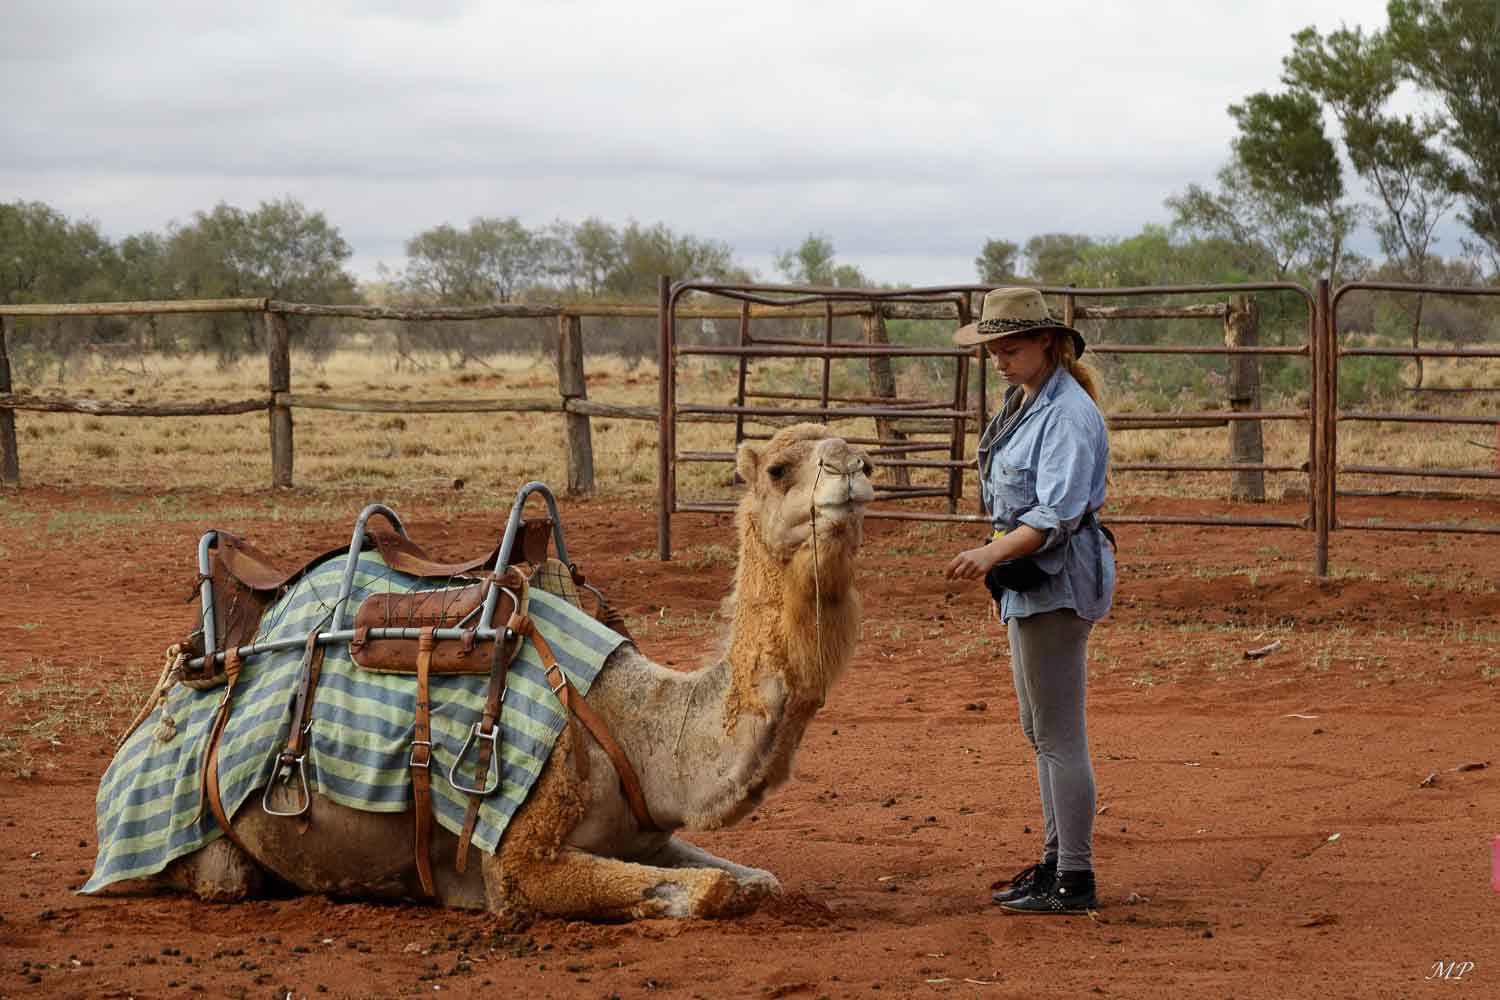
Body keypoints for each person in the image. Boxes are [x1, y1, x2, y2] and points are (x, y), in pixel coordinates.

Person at [944, 286, 1115, 915]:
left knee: (1058, 735)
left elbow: (1058, 514)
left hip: (1056, 581)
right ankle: (1055, 863)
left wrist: (992, 553)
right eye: (993, 350)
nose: (999, 361)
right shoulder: (1028, 402)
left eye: (1010, 348)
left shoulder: (1066, 415)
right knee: (1040, 729)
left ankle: (1074, 875)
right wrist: (1000, 557)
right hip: (1033, 581)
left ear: (1048, 342)